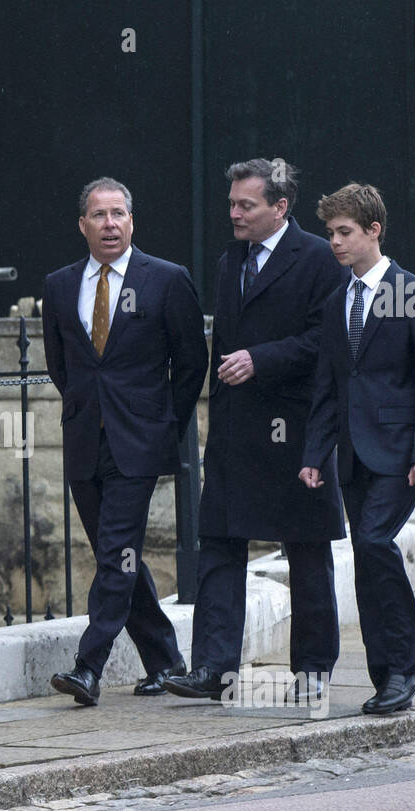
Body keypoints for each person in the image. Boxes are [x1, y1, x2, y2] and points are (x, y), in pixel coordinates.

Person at [163, 159, 349, 705]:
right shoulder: (231, 260)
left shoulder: (317, 257)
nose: (234, 213)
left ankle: (313, 669)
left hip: (293, 430)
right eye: (231, 204)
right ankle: (211, 669)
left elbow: (326, 340)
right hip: (235, 430)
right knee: (219, 546)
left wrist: (260, 359)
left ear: (280, 208)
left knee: (307, 551)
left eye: (246, 205)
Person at [42, 177, 208, 706]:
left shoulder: (166, 279)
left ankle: (88, 666)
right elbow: (61, 365)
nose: (109, 224)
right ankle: (166, 660)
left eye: (118, 214)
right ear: (83, 225)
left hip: (138, 443)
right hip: (84, 440)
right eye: (99, 215)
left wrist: (164, 426)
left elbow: (191, 364)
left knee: (116, 552)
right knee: (120, 555)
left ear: (132, 222)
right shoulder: (60, 285)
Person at [300, 183, 415, 715]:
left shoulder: (413, 292)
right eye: (331, 233)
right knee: (366, 557)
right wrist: (314, 455)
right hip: (352, 456)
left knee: (374, 542)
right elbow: (329, 385)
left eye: (345, 233)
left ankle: (406, 666)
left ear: (373, 231)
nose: (335, 243)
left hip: (402, 453)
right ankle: (388, 674)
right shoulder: (338, 298)